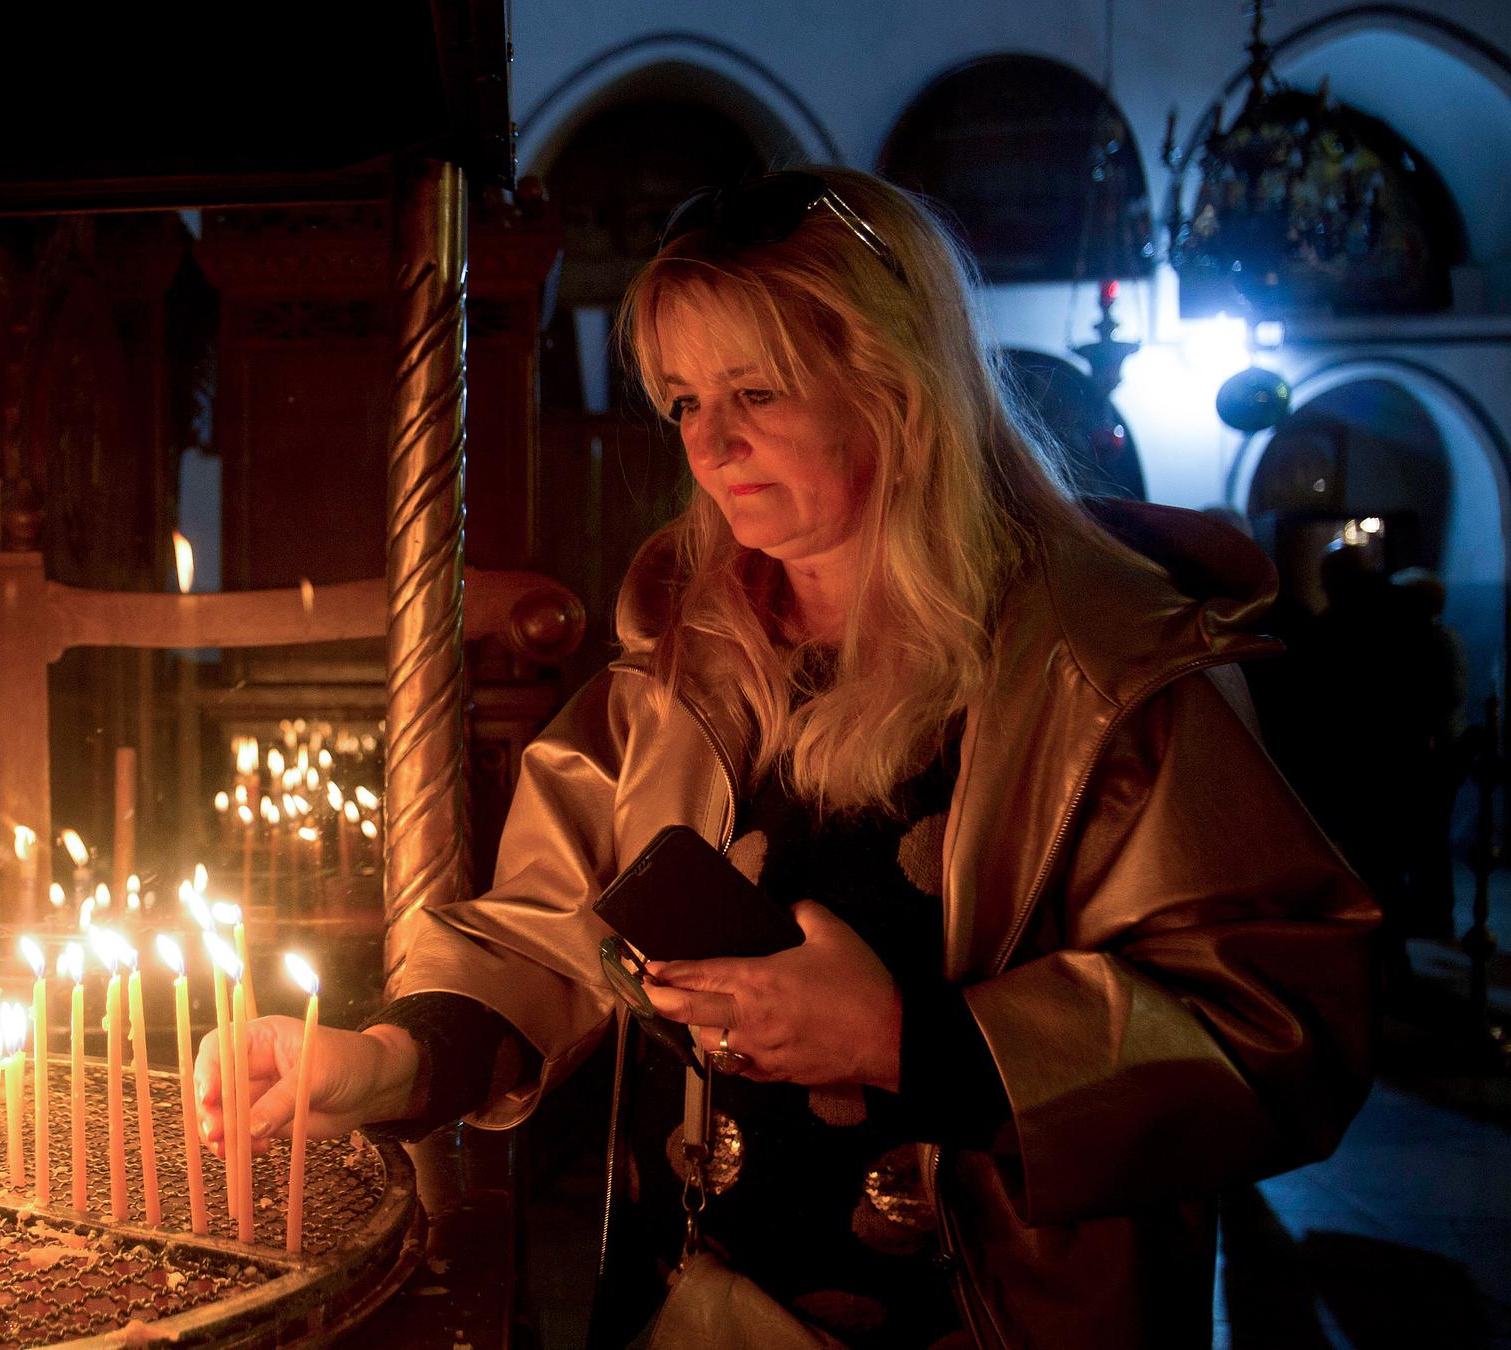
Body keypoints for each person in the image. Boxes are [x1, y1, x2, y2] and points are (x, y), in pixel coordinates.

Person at [196, 167, 1376, 1349]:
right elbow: (547, 927)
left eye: (756, 392)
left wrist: (908, 1039)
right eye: (683, 401)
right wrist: (393, 1061)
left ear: (900, 387)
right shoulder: (684, 662)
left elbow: (1280, 1031)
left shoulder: (1109, 675)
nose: (711, 446)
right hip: (682, 1303)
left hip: (988, 1318)